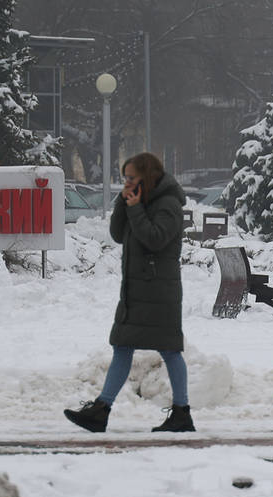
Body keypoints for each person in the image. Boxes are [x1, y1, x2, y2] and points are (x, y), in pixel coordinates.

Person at [63, 152, 194, 434]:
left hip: (159, 291)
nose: (127, 182)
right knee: (122, 345)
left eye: (132, 178)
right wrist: (124, 204)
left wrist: (135, 208)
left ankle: (182, 413)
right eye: (126, 179)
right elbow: (119, 234)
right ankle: (101, 409)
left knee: (170, 349)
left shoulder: (168, 204)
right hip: (138, 289)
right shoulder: (143, 200)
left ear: (146, 176)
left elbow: (156, 238)